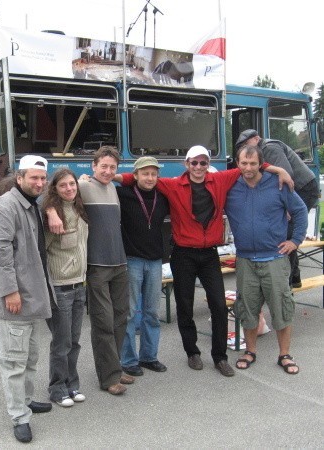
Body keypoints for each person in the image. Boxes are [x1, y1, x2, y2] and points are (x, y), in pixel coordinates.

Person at [118, 146, 293, 377]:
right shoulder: (171, 184)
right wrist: (112, 176)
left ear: (208, 164)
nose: (198, 167)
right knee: (185, 306)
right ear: (187, 164)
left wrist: (278, 169)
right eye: (194, 163)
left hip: (210, 253)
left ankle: (219, 356)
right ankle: (192, 352)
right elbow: (138, 177)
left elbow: (248, 165)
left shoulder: (219, 179)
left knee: (219, 306)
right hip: (183, 254)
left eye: (203, 163)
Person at [0, 155, 55, 443]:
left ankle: (25, 400)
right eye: (32, 177)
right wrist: (9, 291)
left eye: (41, 178)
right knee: (13, 360)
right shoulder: (5, 207)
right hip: (16, 297)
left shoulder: (31, 205)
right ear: (19, 178)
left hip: (30, 296)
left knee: (30, 356)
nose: (38, 182)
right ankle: (19, 416)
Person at [47, 146, 133, 395]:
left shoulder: (114, 190)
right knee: (103, 322)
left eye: (112, 167)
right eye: (103, 166)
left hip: (119, 263)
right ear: (93, 166)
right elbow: (50, 194)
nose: (107, 171)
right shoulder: (82, 187)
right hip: (96, 266)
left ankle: (115, 368)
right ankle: (108, 378)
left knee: (120, 320)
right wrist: (52, 211)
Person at [225, 145, 308, 374]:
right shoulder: (231, 187)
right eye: (243, 163)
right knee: (247, 308)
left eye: (253, 164)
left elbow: (300, 211)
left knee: (281, 307)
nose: (248, 168)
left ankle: (284, 354)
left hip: (274, 258)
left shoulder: (278, 183)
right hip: (245, 260)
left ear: (261, 164)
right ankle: (250, 351)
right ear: (238, 164)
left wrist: (296, 241)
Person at [235, 129, 320, 288]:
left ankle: (287, 282)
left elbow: (287, 174)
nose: (246, 150)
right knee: (286, 230)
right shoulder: (262, 150)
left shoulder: (269, 147)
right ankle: (295, 278)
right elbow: (264, 167)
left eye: (246, 144)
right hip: (298, 188)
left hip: (303, 188)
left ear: (256, 139)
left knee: (287, 233)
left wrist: (286, 207)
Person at [117, 156, 170, 376]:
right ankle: (128, 360)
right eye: (145, 173)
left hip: (155, 261)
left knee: (151, 312)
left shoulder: (164, 197)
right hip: (132, 260)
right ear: (135, 175)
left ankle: (149, 357)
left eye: (153, 174)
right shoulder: (123, 194)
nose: (149, 178)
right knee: (129, 313)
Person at [42, 168, 89, 408]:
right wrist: (50, 210)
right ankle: (57, 388)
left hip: (80, 284)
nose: (69, 189)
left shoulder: (79, 208)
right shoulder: (52, 214)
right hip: (60, 287)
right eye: (63, 186)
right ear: (55, 189)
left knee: (74, 340)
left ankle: (72, 384)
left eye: (72, 184)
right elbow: (44, 250)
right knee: (61, 342)